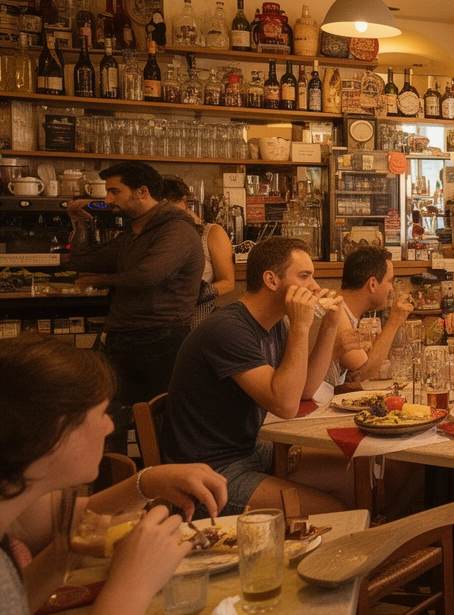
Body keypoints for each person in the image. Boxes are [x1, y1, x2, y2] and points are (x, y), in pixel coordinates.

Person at [0, 334, 224, 615]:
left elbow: (82, 518)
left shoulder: (13, 495)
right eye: (102, 413)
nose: (109, 428)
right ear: (55, 432)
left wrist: (149, 481)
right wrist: (134, 581)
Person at [159, 237, 355, 517]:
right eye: (304, 276)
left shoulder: (273, 323)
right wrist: (301, 325)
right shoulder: (228, 329)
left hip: (250, 453)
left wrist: (330, 325)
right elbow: (286, 406)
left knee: (352, 474)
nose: (314, 287)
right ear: (271, 280)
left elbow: (304, 392)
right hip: (209, 474)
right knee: (334, 511)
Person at [64, 161, 205, 455]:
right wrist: (81, 223)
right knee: (106, 421)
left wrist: (98, 280)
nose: (108, 200)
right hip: (123, 339)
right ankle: (115, 492)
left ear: (142, 192)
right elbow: (82, 260)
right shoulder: (135, 234)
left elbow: (150, 275)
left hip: (162, 341)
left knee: (158, 430)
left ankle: (165, 491)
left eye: (115, 191)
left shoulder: (176, 230)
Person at [325, 246, 416, 391]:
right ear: (372, 284)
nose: (391, 289)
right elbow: (366, 371)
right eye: (389, 281)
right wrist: (394, 321)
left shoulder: (343, 307)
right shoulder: (335, 309)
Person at [160, 176, 235, 329]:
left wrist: (194, 294)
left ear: (184, 201)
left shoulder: (211, 232)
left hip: (195, 322)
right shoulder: (159, 234)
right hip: (159, 322)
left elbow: (228, 283)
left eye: (169, 208)